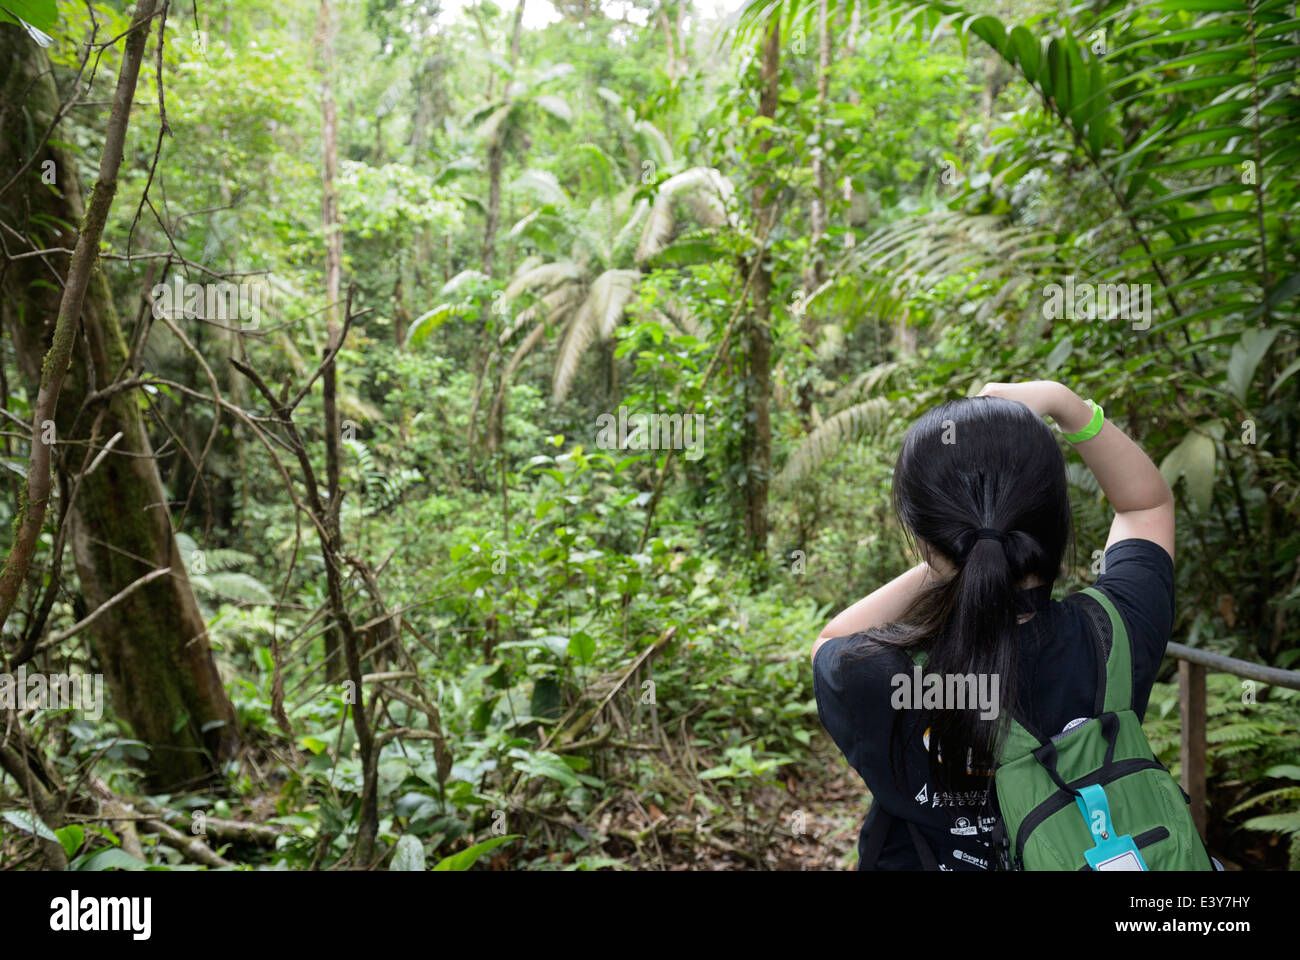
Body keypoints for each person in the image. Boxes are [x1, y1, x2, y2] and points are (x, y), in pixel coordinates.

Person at [810, 380, 1178, 871]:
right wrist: (1062, 402)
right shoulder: (1116, 630)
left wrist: (956, 554)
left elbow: (831, 641)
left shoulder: (877, 674)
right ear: (1054, 521)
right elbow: (1145, 505)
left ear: (924, 538)